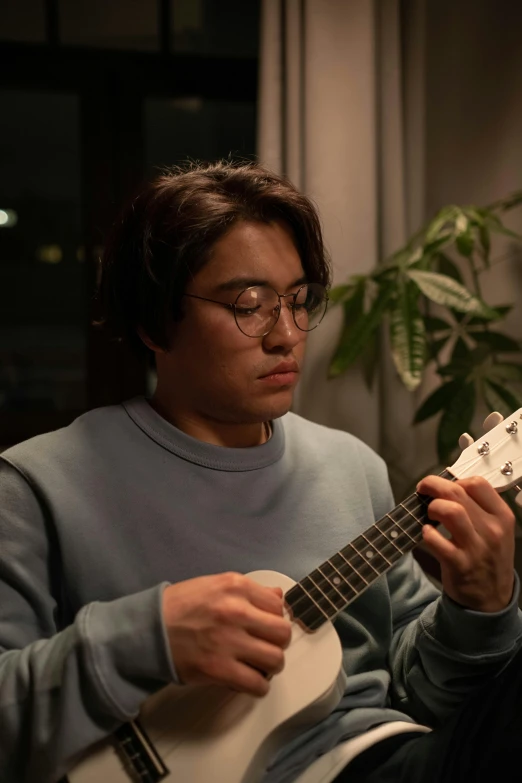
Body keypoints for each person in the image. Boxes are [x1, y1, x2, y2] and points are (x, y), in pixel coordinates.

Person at [0, 160, 521, 783]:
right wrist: (147, 637)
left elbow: (420, 695)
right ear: (152, 321)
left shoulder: (349, 465)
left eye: (300, 301)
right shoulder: (35, 485)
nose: (288, 335)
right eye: (250, 304)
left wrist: (479, 608)